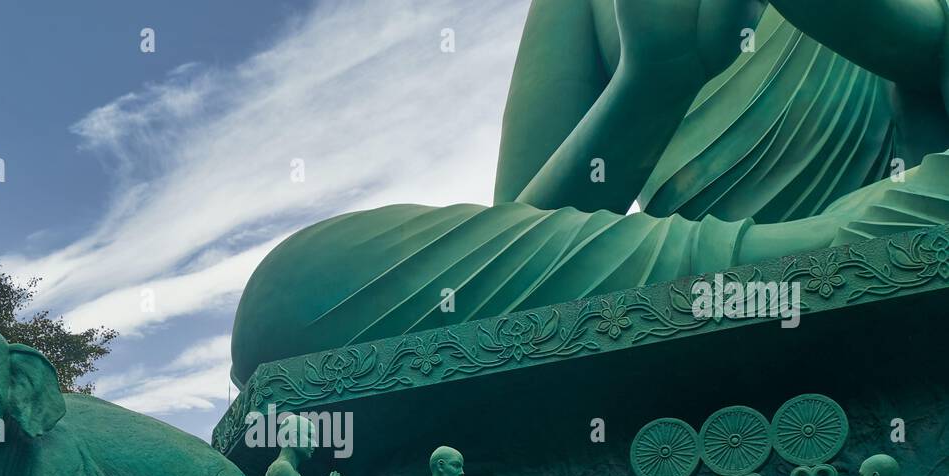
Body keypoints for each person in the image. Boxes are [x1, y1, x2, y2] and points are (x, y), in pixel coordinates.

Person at [231, 0, 949, 385]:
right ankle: (817, 256)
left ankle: (834, 255)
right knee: (291, 296)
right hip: (688, 295)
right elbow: (519, 237)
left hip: (919, 226)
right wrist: (652, 82)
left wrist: (882, 29)